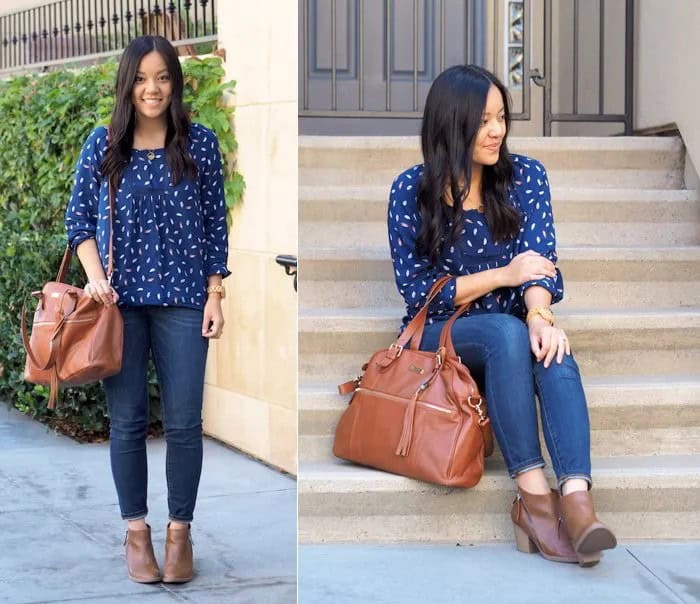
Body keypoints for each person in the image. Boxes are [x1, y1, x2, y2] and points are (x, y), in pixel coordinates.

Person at [387, 64, 616, 567]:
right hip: (443, 335)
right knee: (505, 334)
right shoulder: (411, 191)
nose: (497, 131)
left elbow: (539, 261)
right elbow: (420, 292)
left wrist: (540, 314)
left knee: (550, 349)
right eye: (484, 120)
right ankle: (535, 500)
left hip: (512, 327)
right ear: (452, 124)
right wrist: (503, 276)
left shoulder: (525, 176)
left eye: (501, 117)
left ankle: (577, 502)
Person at [65, 35, 230, 583]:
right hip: (120, 307)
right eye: (141, 78)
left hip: (185, 302)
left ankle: (179, 534)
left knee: (185, 425)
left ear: (175, 82)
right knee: (128, 424)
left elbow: (215, 228)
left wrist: (215, 294)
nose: (152, 88)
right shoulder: (104, 143)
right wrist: (95, 280)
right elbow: (80, 224)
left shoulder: (199, 143)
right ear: (127, 83)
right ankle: (136, 533)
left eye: (161, 77)